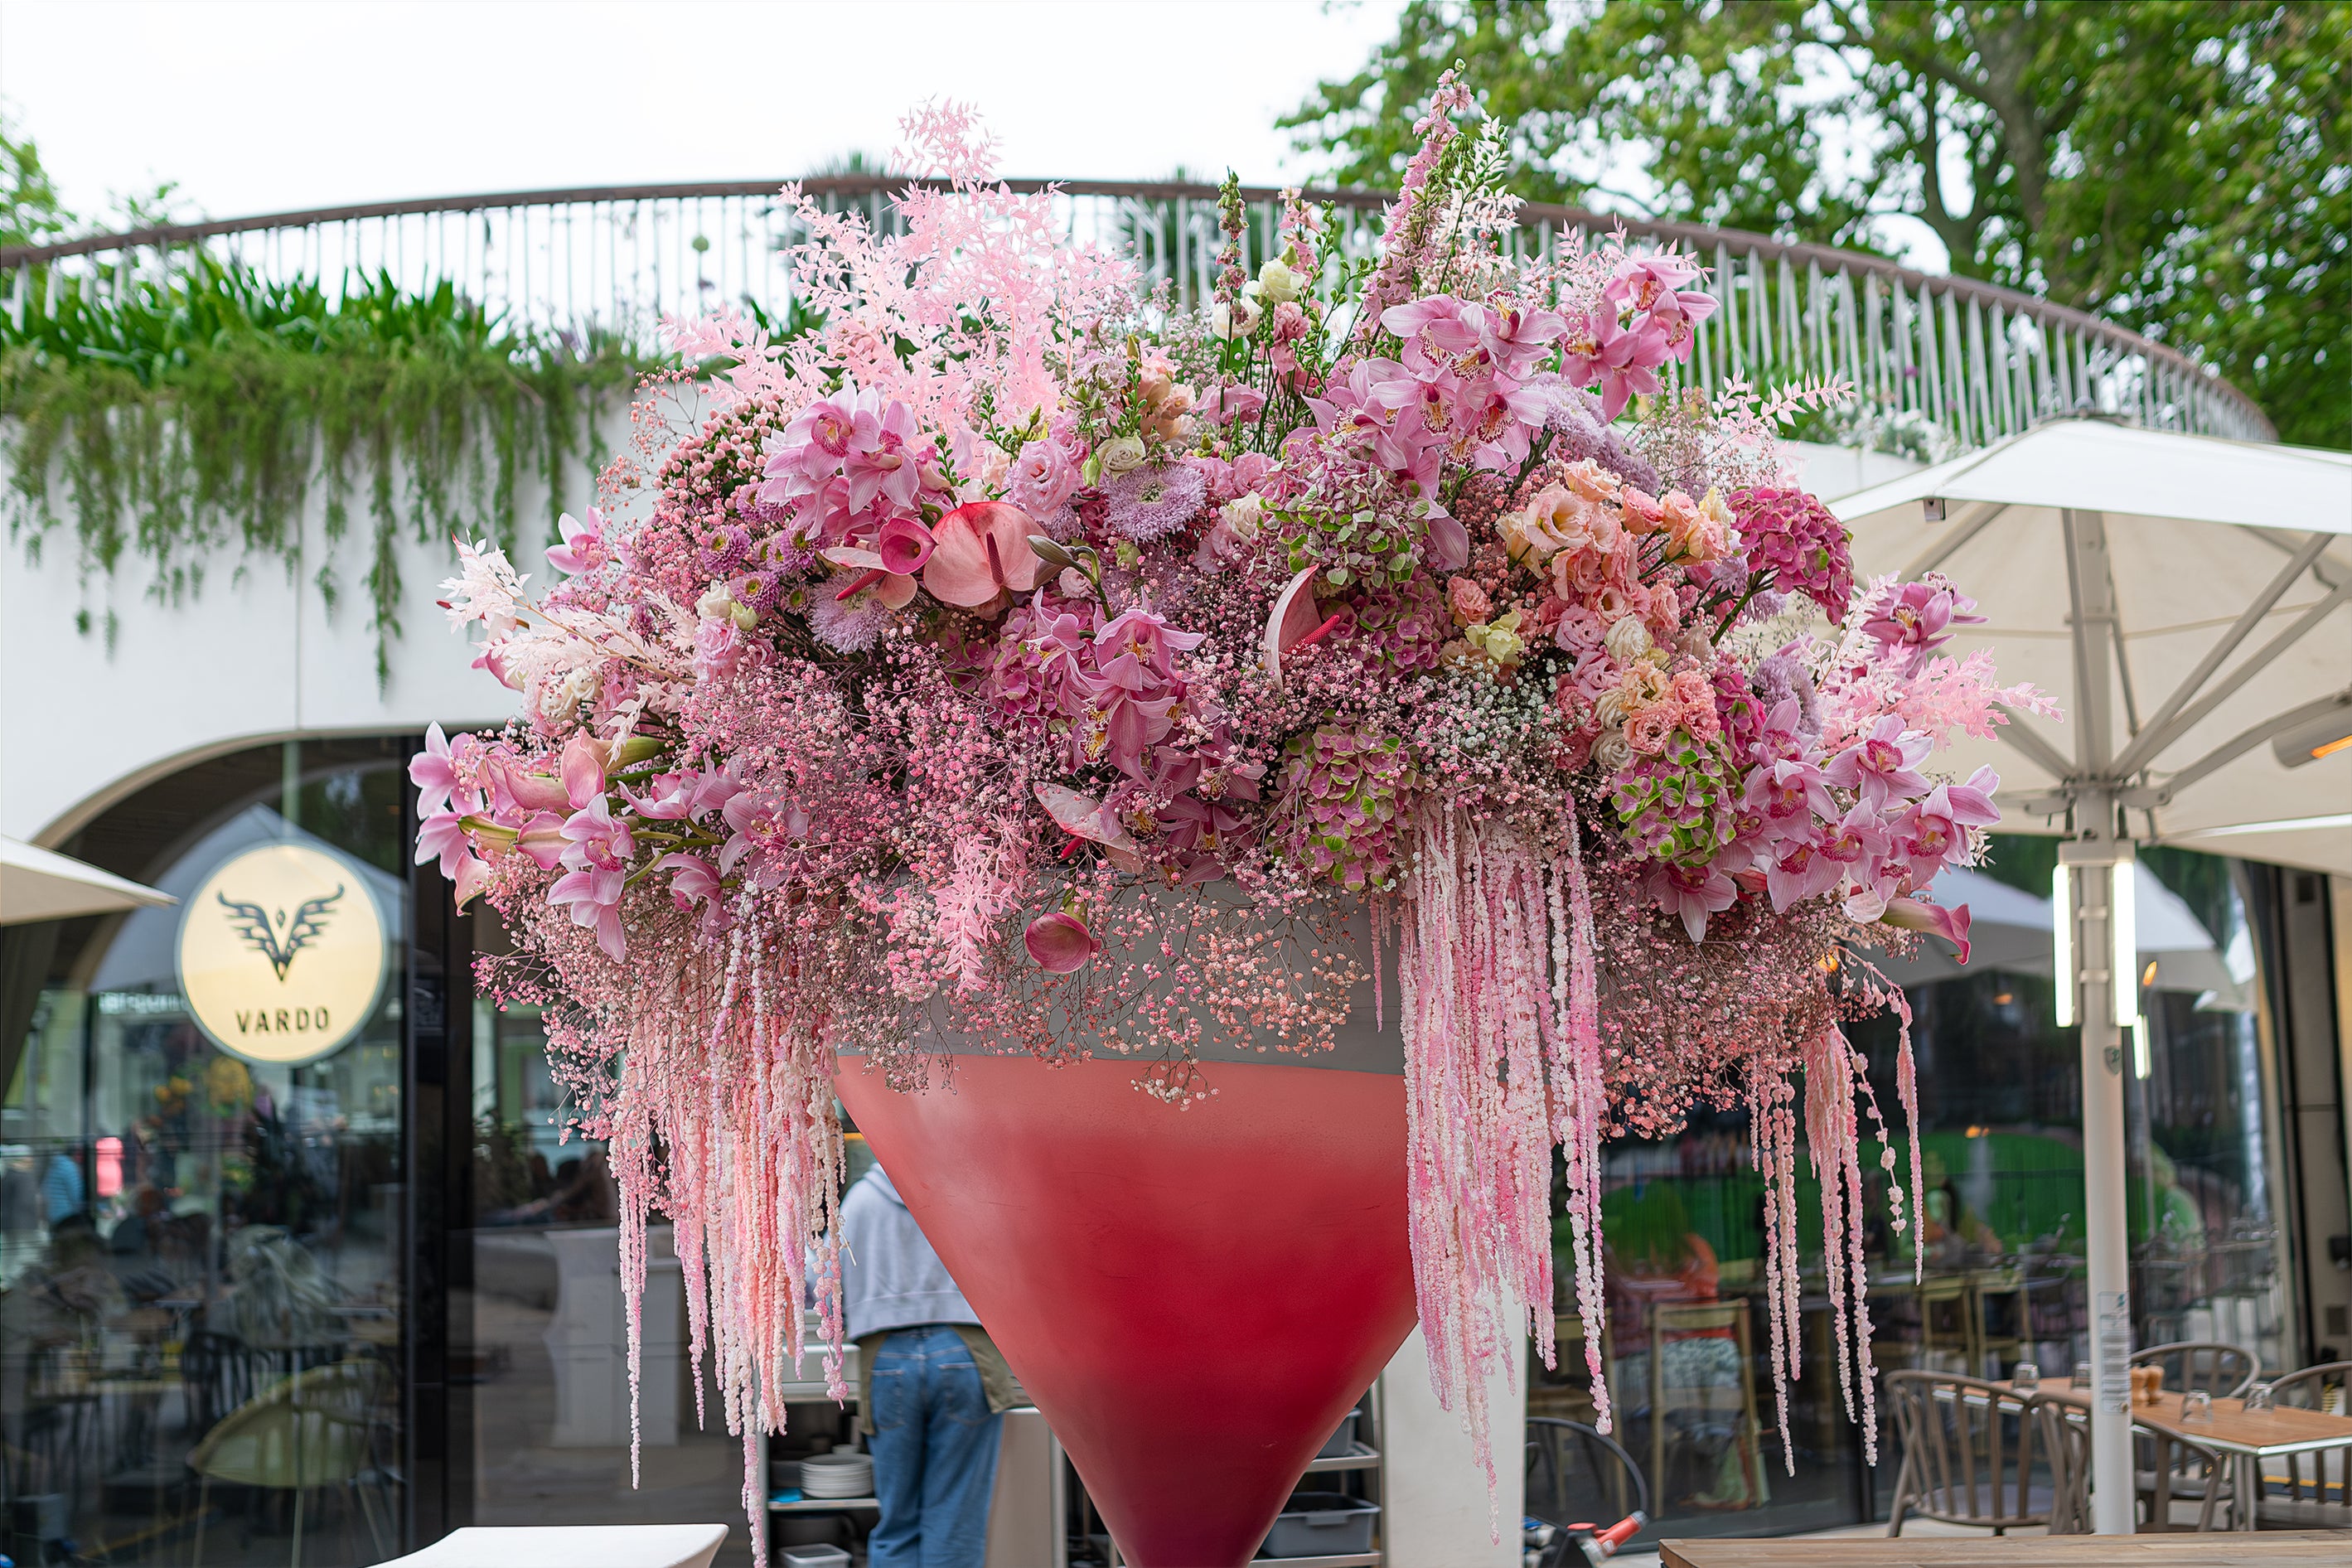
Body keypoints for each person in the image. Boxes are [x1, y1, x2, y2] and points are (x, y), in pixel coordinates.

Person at [835, 1159, 1017, 1568]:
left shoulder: (860, 1202)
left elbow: (818, 1284)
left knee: (898, 1520)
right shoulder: (967, 1195)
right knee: (955, 1520)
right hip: (965, 1354)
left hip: (886, 1361)